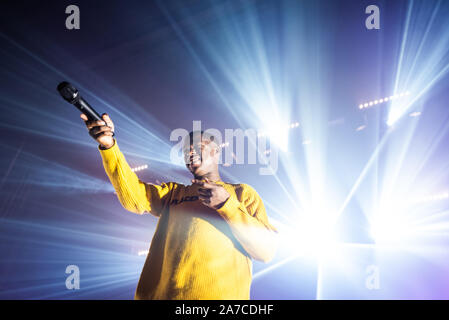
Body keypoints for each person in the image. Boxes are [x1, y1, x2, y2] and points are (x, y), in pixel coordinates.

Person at [80, 112, 279, 300]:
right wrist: (109, 147)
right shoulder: (173, 193)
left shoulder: (241, 193)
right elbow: (133, 198)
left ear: (216, 151)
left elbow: (266, 251)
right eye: (185, 150)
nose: (190, 151)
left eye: (198, 145)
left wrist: (226, 205)